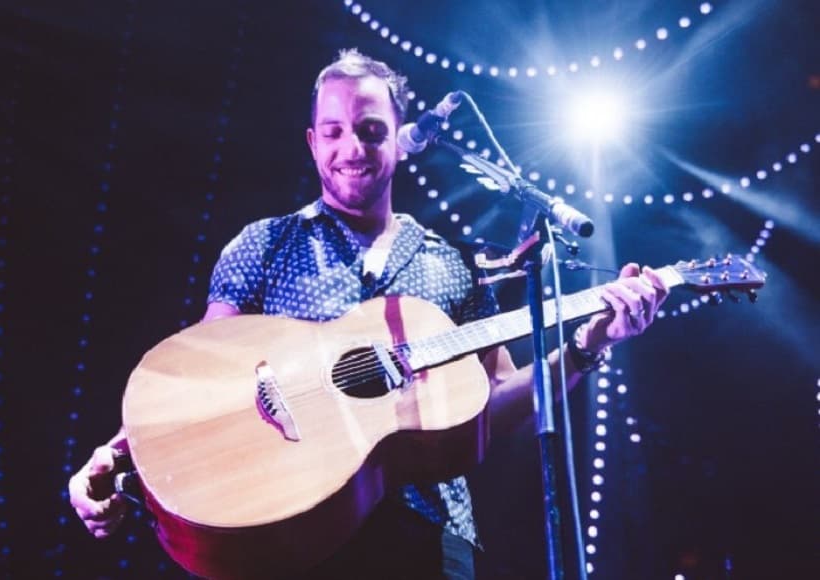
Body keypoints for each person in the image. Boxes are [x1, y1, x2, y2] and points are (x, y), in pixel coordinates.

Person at [68, 48, 669, 579]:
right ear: (312, 142)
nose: (352, 148)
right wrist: (117, 454)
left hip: (429, 533)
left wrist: (589, 344)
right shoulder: (267, 244)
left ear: (400, 139)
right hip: (289, 521)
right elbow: (197, 375)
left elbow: (499, 401)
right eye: (334, 132)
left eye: (371, 129)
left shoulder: (451, 265)